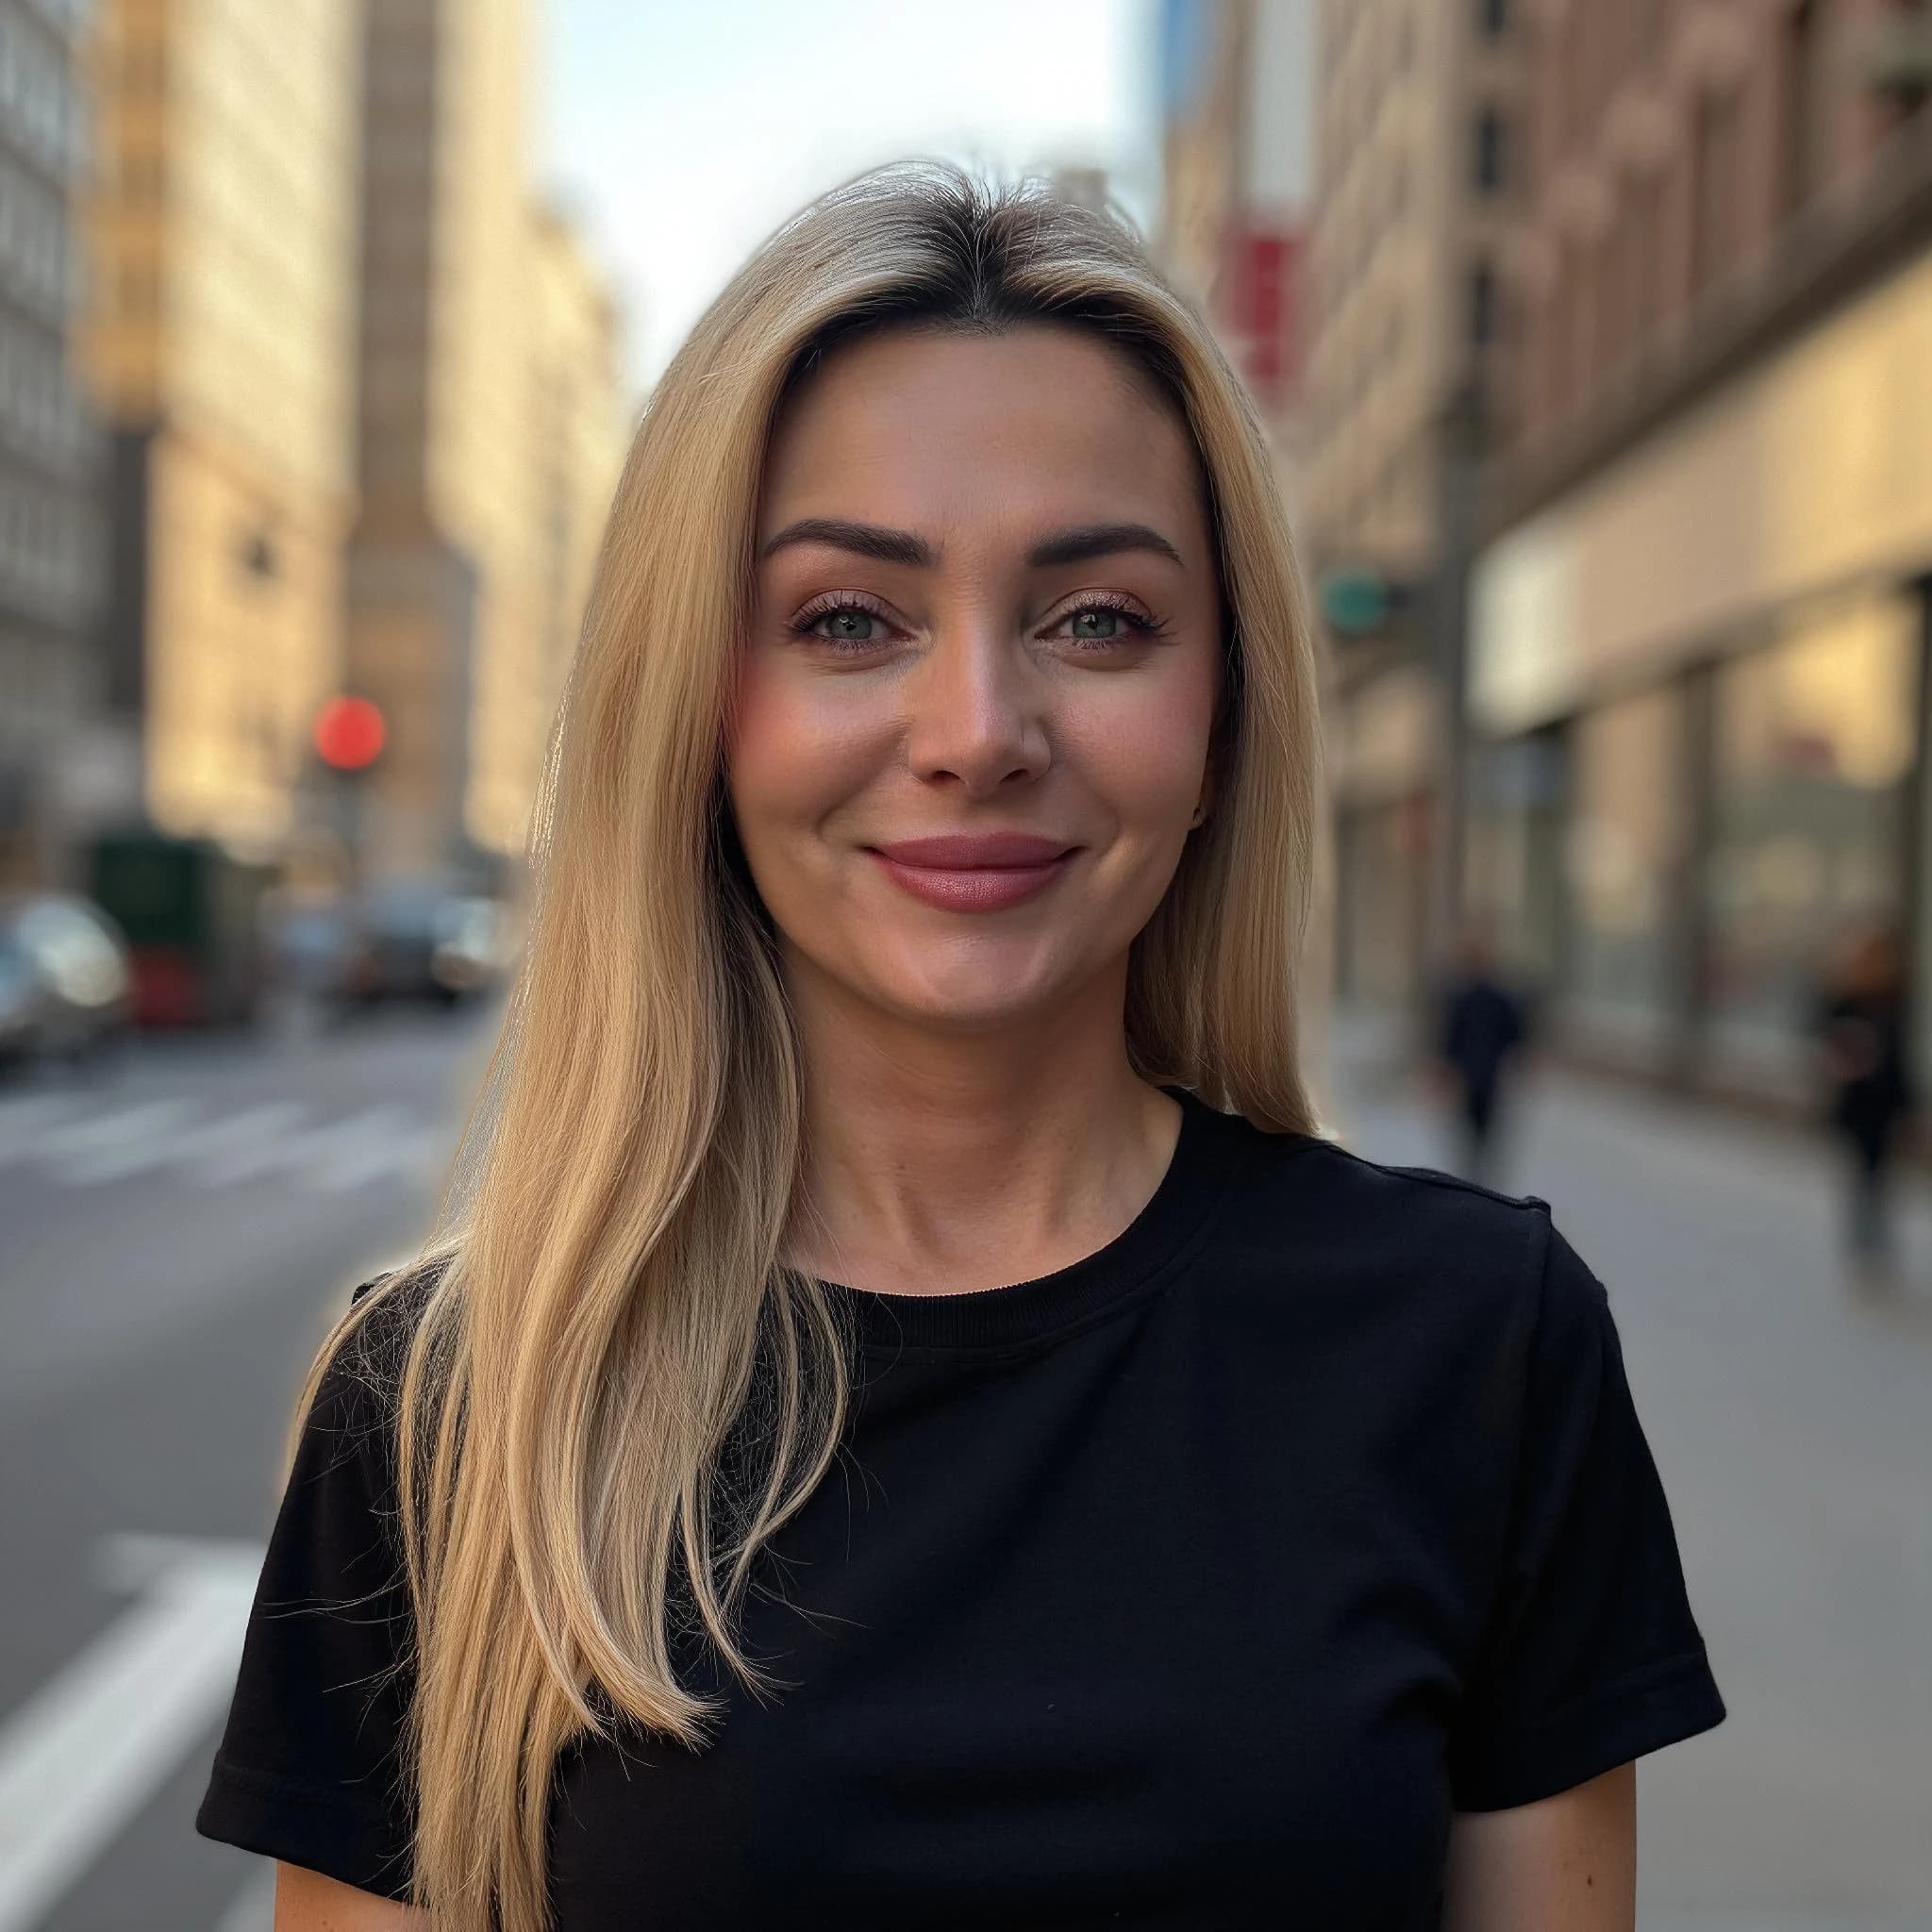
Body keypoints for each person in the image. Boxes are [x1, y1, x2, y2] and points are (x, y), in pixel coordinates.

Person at [196, 167, 1724, 1932]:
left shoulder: (1479, 1342)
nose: (978, 729)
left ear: (1221, 717)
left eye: (1099, 620)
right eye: (849, 617)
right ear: (692, 708)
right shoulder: (455, 1397)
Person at [1814, 921, 1915, 1274]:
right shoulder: (1843, 999)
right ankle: (1863, 1243)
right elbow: (1822, 1042)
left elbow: (1901, 1058)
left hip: (1884, 1103)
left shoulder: (1894, 998)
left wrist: (1908, 1104)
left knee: (1879, 1174)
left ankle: (1877, 1243)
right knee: (1862, 1174)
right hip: (1856, 1103)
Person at [1434, 922, 1531, 1186]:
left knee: (1484, 1136)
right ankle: (1475, 1181)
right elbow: (1449, 1039)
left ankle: (1479, 1181)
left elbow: (1516, 1034)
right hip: (1469, 1078)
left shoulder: (1499, 997)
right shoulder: (1461, 997)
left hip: (1488, 1078)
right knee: (1470, 1136)